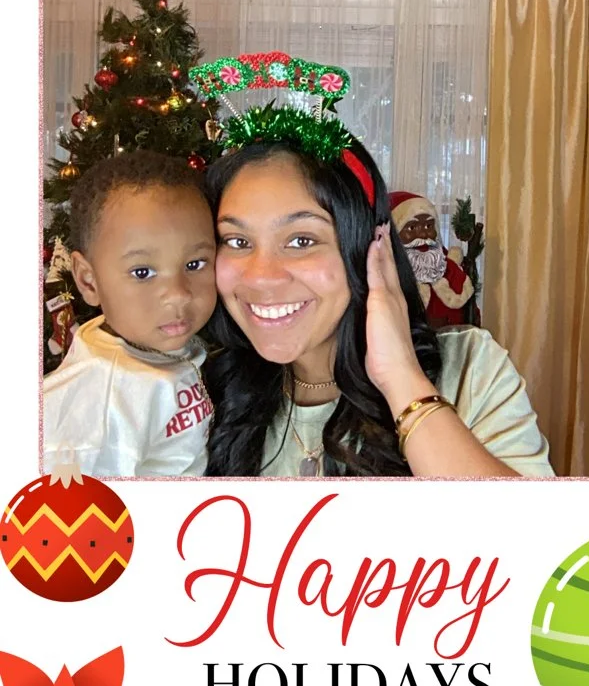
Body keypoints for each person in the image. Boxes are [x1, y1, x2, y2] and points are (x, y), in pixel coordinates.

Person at [200, 81, 555, 479]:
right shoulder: (199, 393)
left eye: (301, 240)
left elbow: (533, 534)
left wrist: (401, 377)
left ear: (372, 246)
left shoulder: (471, 369)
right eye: (236, 240)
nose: (261, 277)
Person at [43, 151, 218, 477]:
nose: (179, 293)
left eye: (194, 264)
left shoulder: (150, 341)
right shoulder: (100, 403)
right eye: (142, 272)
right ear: (87, 280)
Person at [389, 190, 475, 328]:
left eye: (429, 226)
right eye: (411, 227)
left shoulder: (452, 272)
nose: (423, 234)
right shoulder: (386, 276)